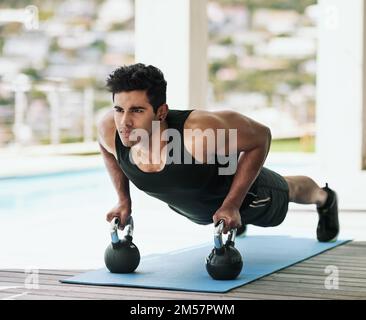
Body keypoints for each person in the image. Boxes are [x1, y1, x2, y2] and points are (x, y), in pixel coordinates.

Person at [97, 63, 339, 242]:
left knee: (288, 188)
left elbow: (261, 137)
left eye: (137, 110)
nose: (124, 122)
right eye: (119, 109)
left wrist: (232, 203)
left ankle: (325, 199)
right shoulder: (110, 129)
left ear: (161, 112)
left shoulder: (199, 133)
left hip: (249, 198)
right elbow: (106, 149)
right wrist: (123, 199)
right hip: (201, 206)